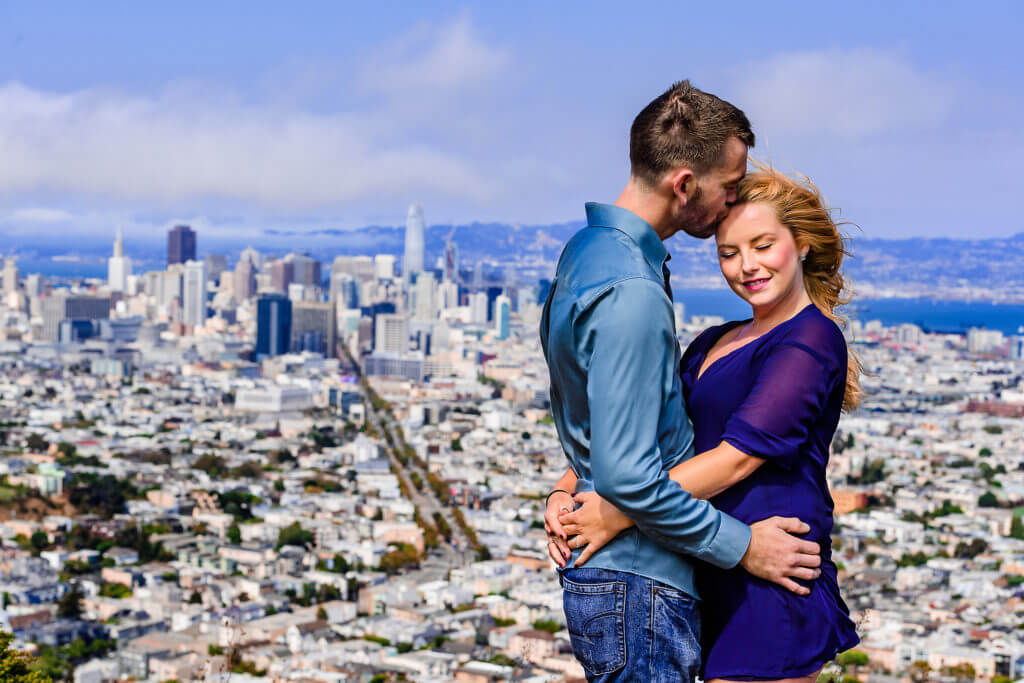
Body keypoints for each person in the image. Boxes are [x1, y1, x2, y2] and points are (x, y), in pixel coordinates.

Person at [539, 80, 823, 682]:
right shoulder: (633, 293)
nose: (732, 198)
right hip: (639, 582)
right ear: (686, 185)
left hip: (617, 578)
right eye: (729, 184)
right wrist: (745, 546)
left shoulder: (584, 257)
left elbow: (605, 419)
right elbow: (627, 479)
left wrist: (567, 487)